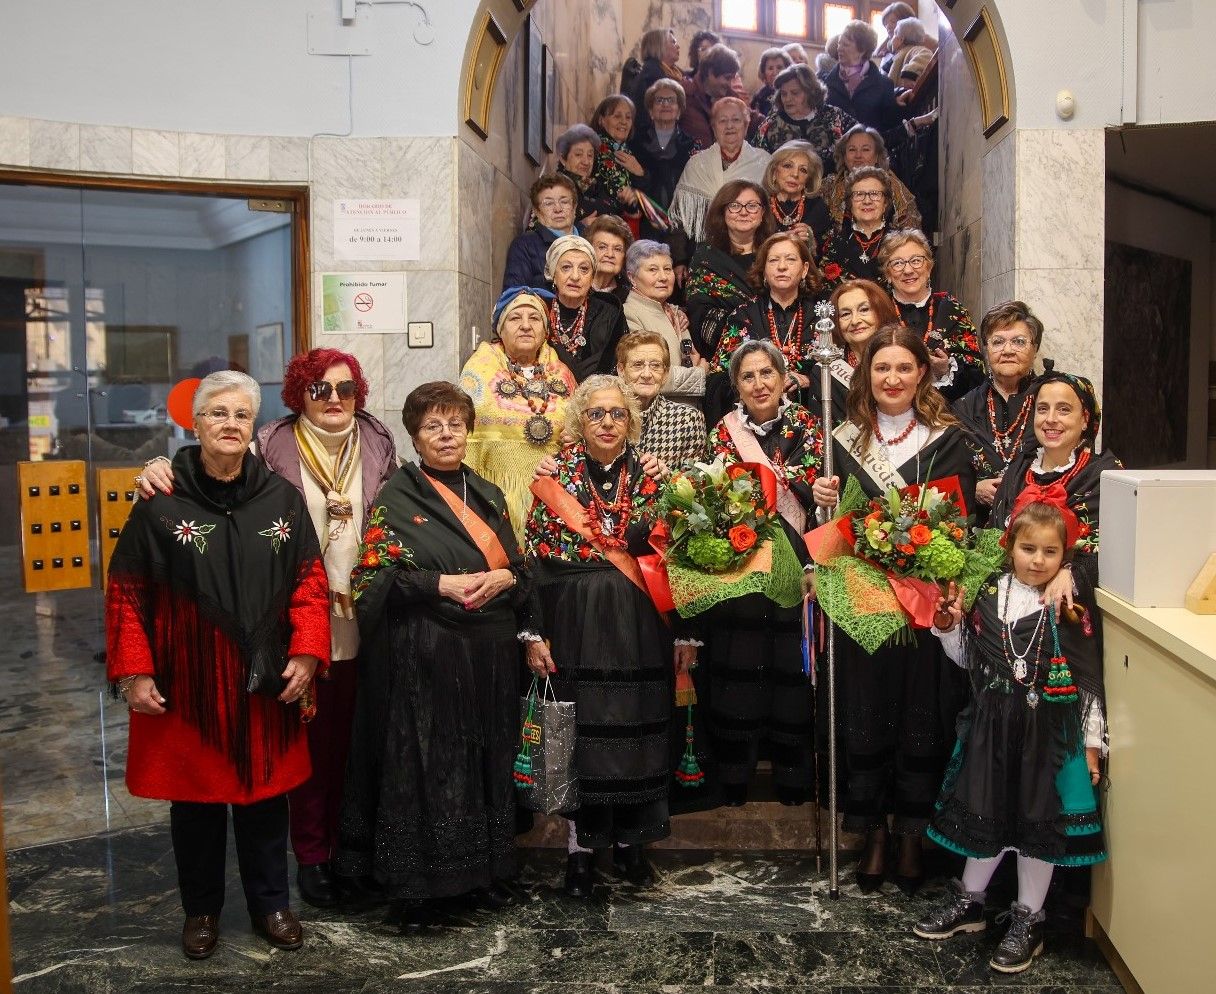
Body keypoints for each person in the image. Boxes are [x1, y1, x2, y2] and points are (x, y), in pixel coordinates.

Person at [136, 350, 398, 911]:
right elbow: (208, 475)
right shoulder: (272, 443)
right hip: (274, 633)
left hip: (364, 617)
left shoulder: (377, 443)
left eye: (345, 389)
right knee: (292, 751)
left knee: (351, 745)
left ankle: (350, 852)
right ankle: (309, 859)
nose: (334, 399)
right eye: (320, 389)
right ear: (298, 394)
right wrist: (152, 468)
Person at [107, 370, 330, 959]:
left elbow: (310, 582)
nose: (229, 424)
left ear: (252, 427)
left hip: (265, 682)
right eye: (217, 413)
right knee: (197, 808)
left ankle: (271, 905)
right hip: (191, 685)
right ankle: (201, 912)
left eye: (240, 415)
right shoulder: (159, 499)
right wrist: (135, 671)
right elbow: (127, 591)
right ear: (196, 422)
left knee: (264, 802)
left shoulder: (280, 497)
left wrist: (307, 652)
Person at [334, 381, 535, 932]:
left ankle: (486, 873)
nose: (446, 435)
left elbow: (520, 572)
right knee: (429, 766)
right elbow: (370, 580)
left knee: (485, 761)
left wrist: (504, 576)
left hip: (490, 655)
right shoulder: (398, 496)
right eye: (432, 426)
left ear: (470, 431)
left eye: (455, 424)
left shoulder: (490, 494)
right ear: (416, 437)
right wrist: (439, 583)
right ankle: (420, 886)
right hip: (427, 655)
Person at [812, 325, 976, 896]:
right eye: (881, 368)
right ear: (866, 376)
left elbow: (960, 527)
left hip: (922, 602)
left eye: (903, 368)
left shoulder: (949, 439)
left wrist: (933, 571)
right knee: (867, 709)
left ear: (921, 374)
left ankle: (912, 833)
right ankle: (873, 832)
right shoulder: (843, 438)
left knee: (919, 713)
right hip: (861, 598)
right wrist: (823, 501)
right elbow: (833, 528)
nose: (892, 378)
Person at [915, 499, 1106, 975]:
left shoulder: (1068, 606)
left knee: (1038, 821)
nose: (1037, 560)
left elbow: (1087, 680)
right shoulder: (988, 595)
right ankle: (972, 901)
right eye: (1028, 549)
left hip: (1050, 736)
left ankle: (1028, 915)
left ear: (1065, 555)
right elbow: (968, 659)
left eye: (1049, 551)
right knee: (989, 810)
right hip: (992, 729)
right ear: (1009, 547)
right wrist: (946, 628)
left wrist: (1091, 743)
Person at [523, 375, 695, 896]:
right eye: (596, 414)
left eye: (617, 414)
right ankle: (581, 853)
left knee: (638, 733)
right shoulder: (557, 475)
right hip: (574, 627)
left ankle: (633, 847)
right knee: (585, 741)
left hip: (642, 627)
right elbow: (534, 560)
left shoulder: (655, 476)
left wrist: (685, 632)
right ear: (580, 419)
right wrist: (535, 632)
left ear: (631, 420)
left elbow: (680, 560)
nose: (606, 423)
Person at [700, 340, 821, 807]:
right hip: (744, 564)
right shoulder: (723, 432)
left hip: (798, 559)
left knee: (791, 667)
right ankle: (735, 773)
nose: (759, 384)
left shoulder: (810, 426)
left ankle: (792, 776)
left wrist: (809, 487)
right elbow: (715, 491)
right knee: (740, 663)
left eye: (766, 374)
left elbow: (819, 486)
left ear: (784, 377)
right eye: (748, 377)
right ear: (736, 385)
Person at [460, 287, 578, 542]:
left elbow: (581, 428)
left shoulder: (563, 373)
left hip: (555, 495)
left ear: (545, 330)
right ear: (500, 329)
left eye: (534, 318)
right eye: (515, 318)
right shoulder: (478, 369)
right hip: (494, 494)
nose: (525, 325)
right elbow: (467, 439)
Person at [990, 371, 1122, 598]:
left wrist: (1071, 572)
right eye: (1043, 409)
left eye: (1064, 409)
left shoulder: (1104, 475)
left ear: (1084, 420)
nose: (1051, 418)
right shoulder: (1019, 469)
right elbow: (994, 536)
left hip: (1070, 608)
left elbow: (1118, 548)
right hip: (1008, 599)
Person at [709, 231, 830, 426]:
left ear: (805, 269)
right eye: (773, 260)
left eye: (790, 260)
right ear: (763, 270)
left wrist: (809, 380)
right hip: (751, 423)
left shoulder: (822, 318)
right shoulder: (742, 316)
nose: (782, 267)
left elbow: (841, 376)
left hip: (811, 421)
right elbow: (718, 379)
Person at [953, 300, 1043, 516]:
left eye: (1019, 342)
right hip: (978, 529)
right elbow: (946, 472)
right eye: (998, 342)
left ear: (1035, 349)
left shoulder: (1051, 401)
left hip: (1040, 521)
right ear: (986, 349)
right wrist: (972, 489)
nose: (1008, 350)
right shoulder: (962, 408)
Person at [879, 228, 984, 402]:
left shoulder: (952, 309)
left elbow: (977, 373)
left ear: (929, 267)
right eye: (897, 263)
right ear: (888, 274)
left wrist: (945, 370)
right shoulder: (878, 309)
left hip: (946, 410)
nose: (908, 270)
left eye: (916, 261)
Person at [683, 179, 775, 362]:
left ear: (763, 212)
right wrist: (744, 334)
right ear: (723, 212)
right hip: (724, 354)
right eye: (734, 206)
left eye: (752, 206)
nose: (743, 212)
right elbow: (698, 311)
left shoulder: (776, 253)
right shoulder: (705, 257)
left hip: (778, 346)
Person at [669, 97, 771, 244]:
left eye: (736, 120)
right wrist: (680, 260)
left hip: (754, 245)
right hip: (705, 246)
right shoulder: (697, 163)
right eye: (722, 121)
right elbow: (680, 218)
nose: (729, 126)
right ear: (714, 128)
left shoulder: (764, 161)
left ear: (746, 125)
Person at [623, 239, 707, 405]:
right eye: (652, 270)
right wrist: (700, 375)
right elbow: (645, 376)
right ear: (632, 277)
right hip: (656, 419)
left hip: (688, 414)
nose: (663, 277)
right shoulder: (628, 313)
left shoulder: (674, 312)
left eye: (667, 269)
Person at [811, 277, 901, 424]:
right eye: (845, 314)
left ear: (880, 311)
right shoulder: (824, 370)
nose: (855, 321)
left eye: (864, 310)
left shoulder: (904, 358)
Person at [543, 234, 628, 382]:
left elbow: (621, 365)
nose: (575, 276)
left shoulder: (609, 314)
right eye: (566, 268)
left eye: (584, 269)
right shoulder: (539, 310)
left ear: (592, 277)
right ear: (553, 274)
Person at [616, 331, 707, 467]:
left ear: (665, 373)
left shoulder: (688, 420)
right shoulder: (606, 417)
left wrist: (666, 476)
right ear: (621, 370)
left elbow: (693, 483)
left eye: (655, 366)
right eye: (638, 365)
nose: (647, 374)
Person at [757, 64, 857, 171]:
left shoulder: (833, 115)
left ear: (811, 92)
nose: (787, 99)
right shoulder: (770, 124)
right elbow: (758, 163)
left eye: (795, 93)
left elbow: (862, 140)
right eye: (783, 94)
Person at [821, 124, 921, 230]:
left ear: (877, 156)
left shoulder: (893, 187)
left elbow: (910, 231)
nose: (858, 155)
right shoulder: (830, 186)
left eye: (865, 149)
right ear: (844, 156)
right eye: (852, 150)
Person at [824, 19, 908, 134]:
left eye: (845, 44)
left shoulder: (884, 85)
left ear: (862, 50)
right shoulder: (824, 83)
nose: (839, 48)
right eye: (839, 43)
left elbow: (890, 129)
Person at [817, 165, 894, 285]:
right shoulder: (833, 242)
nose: (867, 201)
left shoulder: (900, 242)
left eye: (874, 194)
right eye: (859, 194)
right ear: (850, 204)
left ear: (885, 203)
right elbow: (825, 290)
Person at [503, 175, 580, 290]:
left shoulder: (591, 242)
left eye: (564, 202)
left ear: (574, 207)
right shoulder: (525, 245)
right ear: (537, 212)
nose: (558, 209)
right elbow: (514, 295)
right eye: (548, 204)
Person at [762, 140, 833, 251]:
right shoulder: (760, 205)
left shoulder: (818, 208)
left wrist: (810, 242)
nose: (795, 174)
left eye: (803, 170)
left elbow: (827, 254)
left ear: (808, 179)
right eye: (788, 166)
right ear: (774, 171)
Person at [589, 95, 645, 222]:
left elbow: (641, 203)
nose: (624, 122)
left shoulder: (632, 154)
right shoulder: (590, 148)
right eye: (617, 116)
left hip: (621, 226)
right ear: (601, 120)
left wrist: (639, 173)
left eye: (628, 117)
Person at [680, 43, 744, 149]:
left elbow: (750, 116)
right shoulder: (685, 96)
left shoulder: (731, 96)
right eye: (727, 78)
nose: (729, 84)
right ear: (710, 73)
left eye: (732, 79)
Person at [555, 125, 616, 224]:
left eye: (590, 155)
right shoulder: (553, 187)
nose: (586, 162)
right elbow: (540, 230)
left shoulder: (598, 187)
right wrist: (579, 228)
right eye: (578, 154)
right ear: (563, 159)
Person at [629, 28, 684, 132]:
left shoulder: (675, 73)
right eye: (673, 42)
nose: (678, 46)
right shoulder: (652, 75)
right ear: (659, 46)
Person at [586, 214, 634, 303]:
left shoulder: (629, 297)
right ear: (589, 250)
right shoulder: (575, 286)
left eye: (617, 249)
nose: (610, 254)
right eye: (602, 247)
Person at [887, 18, 932, 85]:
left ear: (901, 39)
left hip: (905, 90)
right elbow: (885, 72)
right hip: (894, 92)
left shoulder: (915, 49)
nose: (892, 39)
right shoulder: (897, 56)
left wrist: (909, 74)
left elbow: (925, 56)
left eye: (894, 34)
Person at [751, 47, 792, 119]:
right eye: (770, 68)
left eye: (779, 67)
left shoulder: (795, 92)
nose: (775, 72)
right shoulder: (760, 96)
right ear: (764, 72)